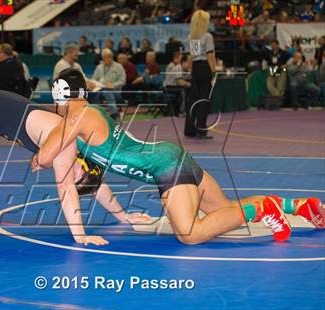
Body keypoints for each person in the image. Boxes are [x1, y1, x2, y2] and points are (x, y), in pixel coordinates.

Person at [41, 68, 324, 246]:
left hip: (167, 166)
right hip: (170, 157)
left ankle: (264, 209)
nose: (54, 107)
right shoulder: (89, 115)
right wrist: (123, 214)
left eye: (55, 101)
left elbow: (44, 156)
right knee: (222, 212)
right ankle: (296, 205)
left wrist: (41, 138)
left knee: (190, 234)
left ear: (61, 96)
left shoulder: (78, 117)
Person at [0, 89, 150, 250]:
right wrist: (80, 235)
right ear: (86, 166)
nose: (74, 178)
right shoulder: (69, 147)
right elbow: (66, 188)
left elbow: (96, 187)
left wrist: (124, 216)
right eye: (80, 178)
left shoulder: (80, 155)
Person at [184, 9, 216, 139]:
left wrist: (191, 72)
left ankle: (189, 129)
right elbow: (210, 56)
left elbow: (190, 58)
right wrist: (214, 71)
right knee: (204, 99)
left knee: (193, 99)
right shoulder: (207, 36)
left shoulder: (191, 37)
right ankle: (201, 129)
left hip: (196, 69)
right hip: (204, 68)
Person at [91, 48, 126, 121]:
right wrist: (94, 84)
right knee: (93, 94)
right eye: (106, 57)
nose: (108, 58)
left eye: (110, 56)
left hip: (115, 91)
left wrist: (113, 85)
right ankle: (97, 114)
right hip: (100, 89)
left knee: (107, 92)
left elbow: (123, 81)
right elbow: (93, 79)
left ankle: (114, 114)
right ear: (103, 58)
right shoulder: (99, 67)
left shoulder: (119, 67)